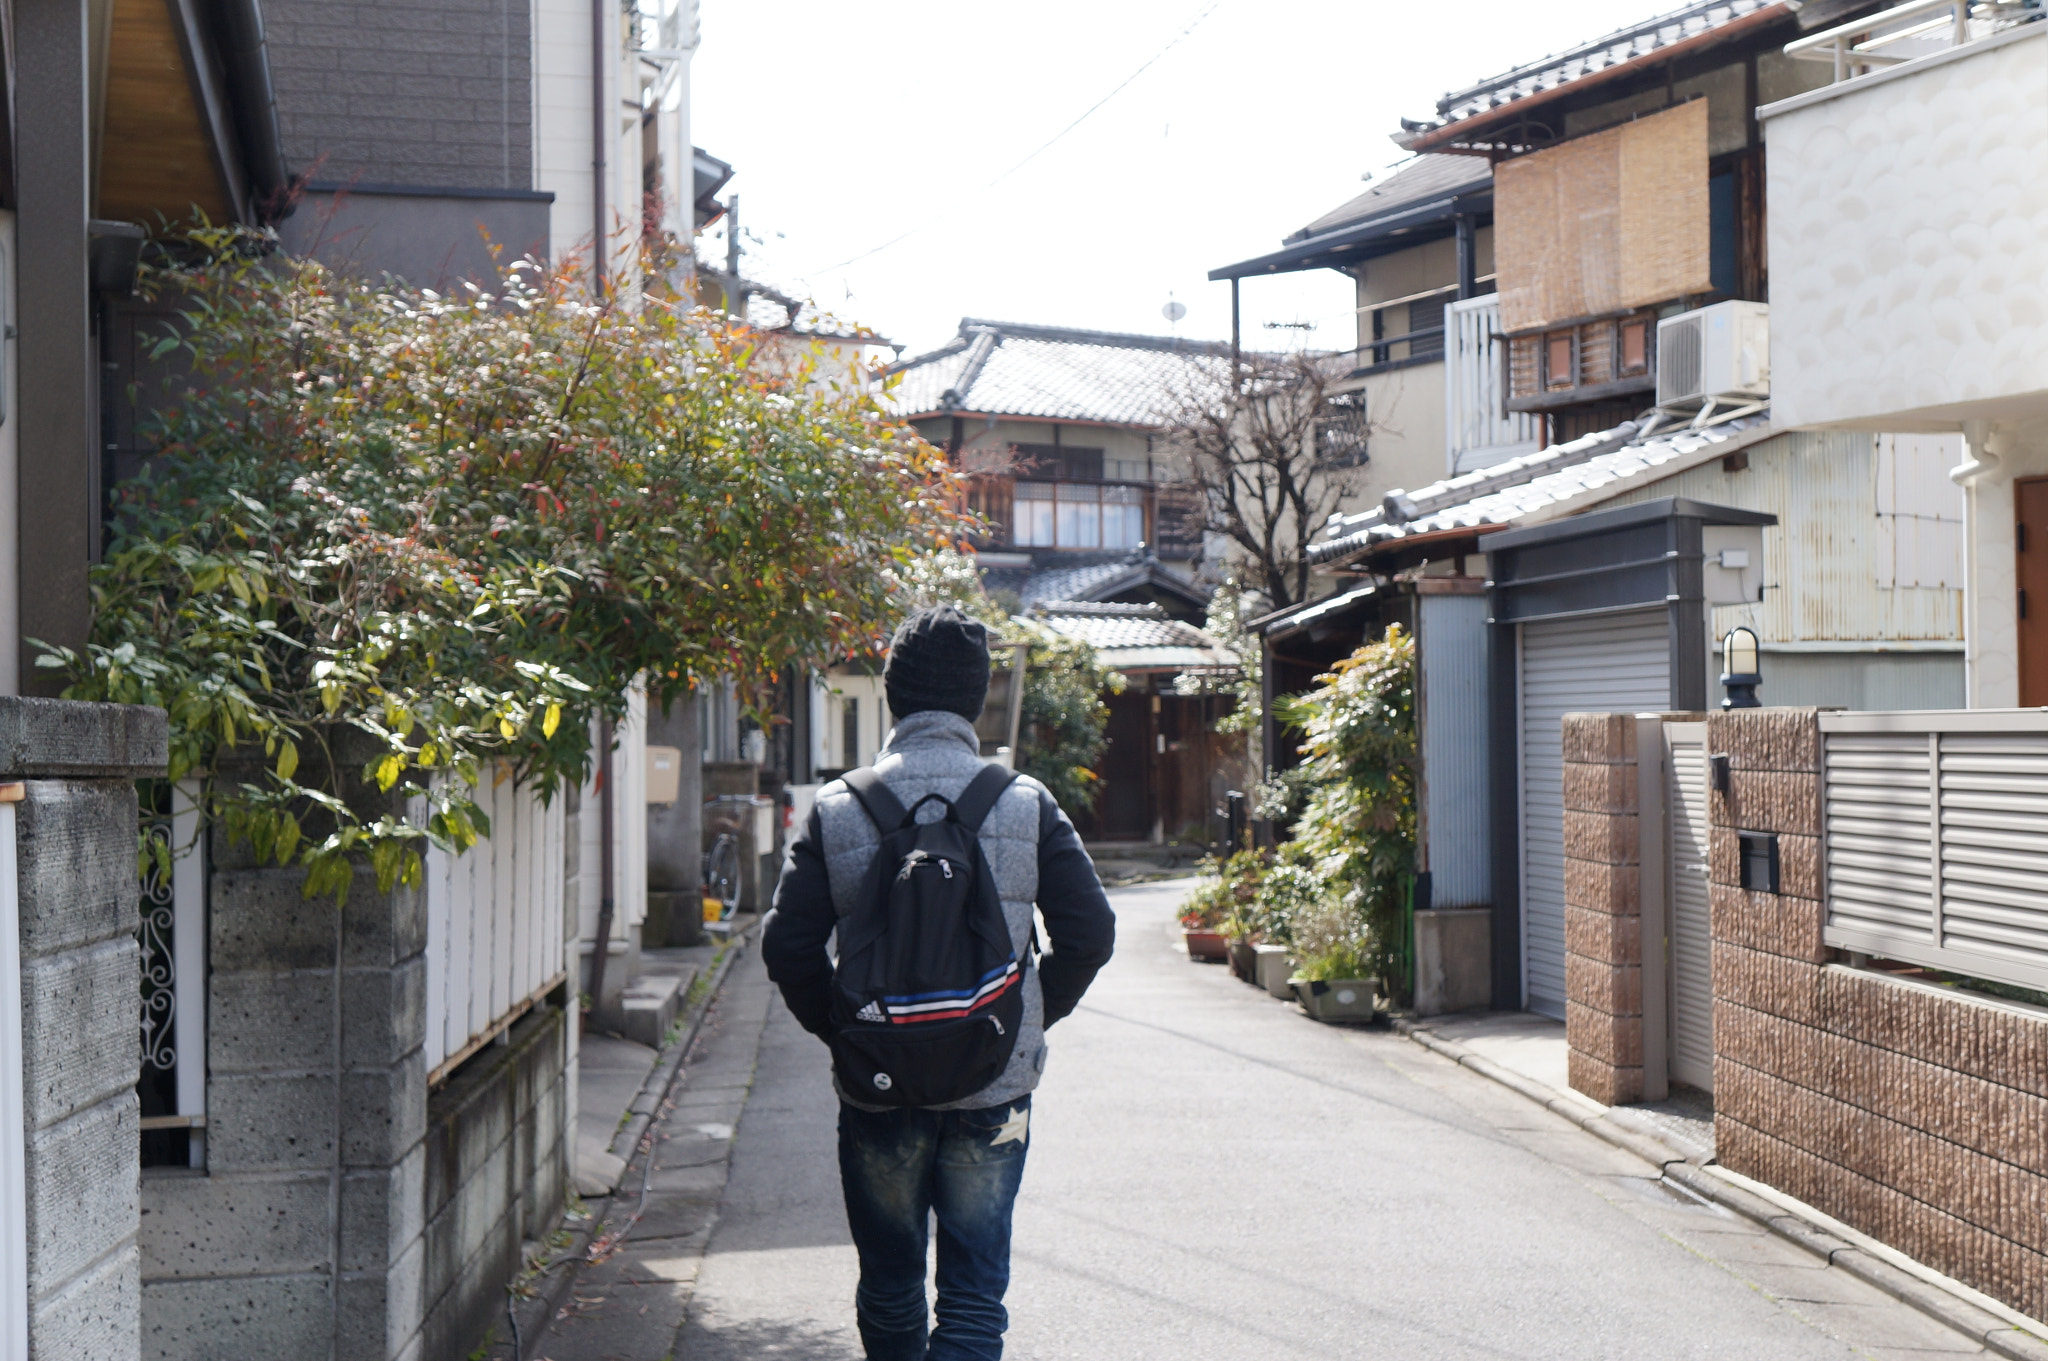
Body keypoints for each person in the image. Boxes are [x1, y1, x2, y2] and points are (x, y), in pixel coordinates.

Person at [762, 604, 1116, 1360]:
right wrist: (1029, 1016)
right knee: (973, 1294)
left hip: (879, 1083)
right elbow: (1092, 932)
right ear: (974, 697)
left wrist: (845, 1029)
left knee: (890, 1283)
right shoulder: (1024, 801)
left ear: (893, 695)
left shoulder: (839, 807)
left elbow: (787, 945)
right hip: (993, 1086)